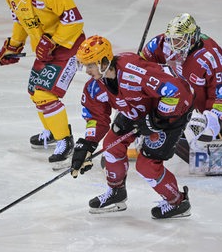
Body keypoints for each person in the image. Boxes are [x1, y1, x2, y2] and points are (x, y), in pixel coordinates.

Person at [70, 35, 194, 219]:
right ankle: (116, 191)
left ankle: (178, 202)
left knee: (147, 166)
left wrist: (157, 118)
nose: (87, 70)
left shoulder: (133, 72)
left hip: (173, 112)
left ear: (104, 62)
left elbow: (176, 91)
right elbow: (96, 116)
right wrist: (87, 143)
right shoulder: (95, 86)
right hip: (137, 111)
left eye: (90, 65)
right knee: (111, 145)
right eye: (84, 65)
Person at [0, 0, 85, 169]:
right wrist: (14, 46)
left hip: (67, 46)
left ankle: (65, 141)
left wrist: (53, 41)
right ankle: (55, 133)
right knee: (33, 91)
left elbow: (75, 22)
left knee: (44, 94)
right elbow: (21, 22)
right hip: (44, 49)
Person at [141, 13, 222, 160]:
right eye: (171, 39)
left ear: (192, 38)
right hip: (192, 96)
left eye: (179, 40)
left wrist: (211, 124)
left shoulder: (209, 57)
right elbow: (141, 67)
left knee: (195, 138)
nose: (174, 45)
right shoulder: (161, 44)